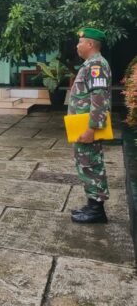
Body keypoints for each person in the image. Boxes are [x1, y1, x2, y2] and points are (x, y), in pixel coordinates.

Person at [69, 28, 112, 224]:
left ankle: (97, 211)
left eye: (80, 42)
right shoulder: (90, 64)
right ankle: (92, 204)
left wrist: (91, 129)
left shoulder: (96, 65)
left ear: (90, 44)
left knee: (92, 165)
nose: (77, 46)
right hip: (82, 125)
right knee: (86, 164)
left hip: (88, 127)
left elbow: (99, 98)